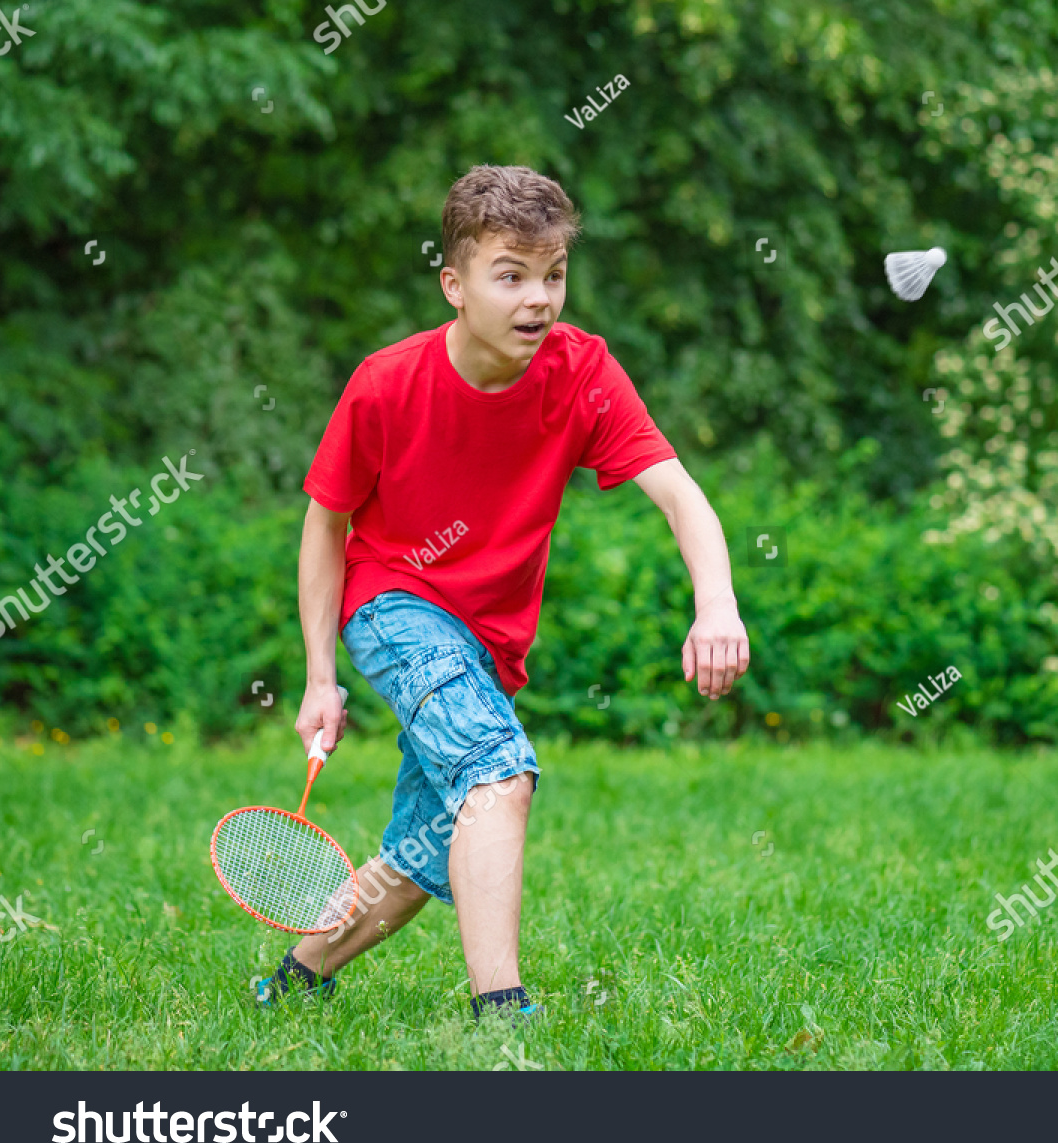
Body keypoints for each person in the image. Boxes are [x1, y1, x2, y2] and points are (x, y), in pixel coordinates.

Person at [254, 164, 750, 1022]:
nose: (539, 298)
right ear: (455, 284)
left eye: (553, 274)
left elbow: (680, 493)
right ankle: (500, 1011)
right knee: (496, 769)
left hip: (490, 642)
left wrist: (718, 604)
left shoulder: (582, 371)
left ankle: (293, 981)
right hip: (393, 602)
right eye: (511, 274)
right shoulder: (385, 383)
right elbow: (325, 528)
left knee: (426, 846)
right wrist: (318, 674)